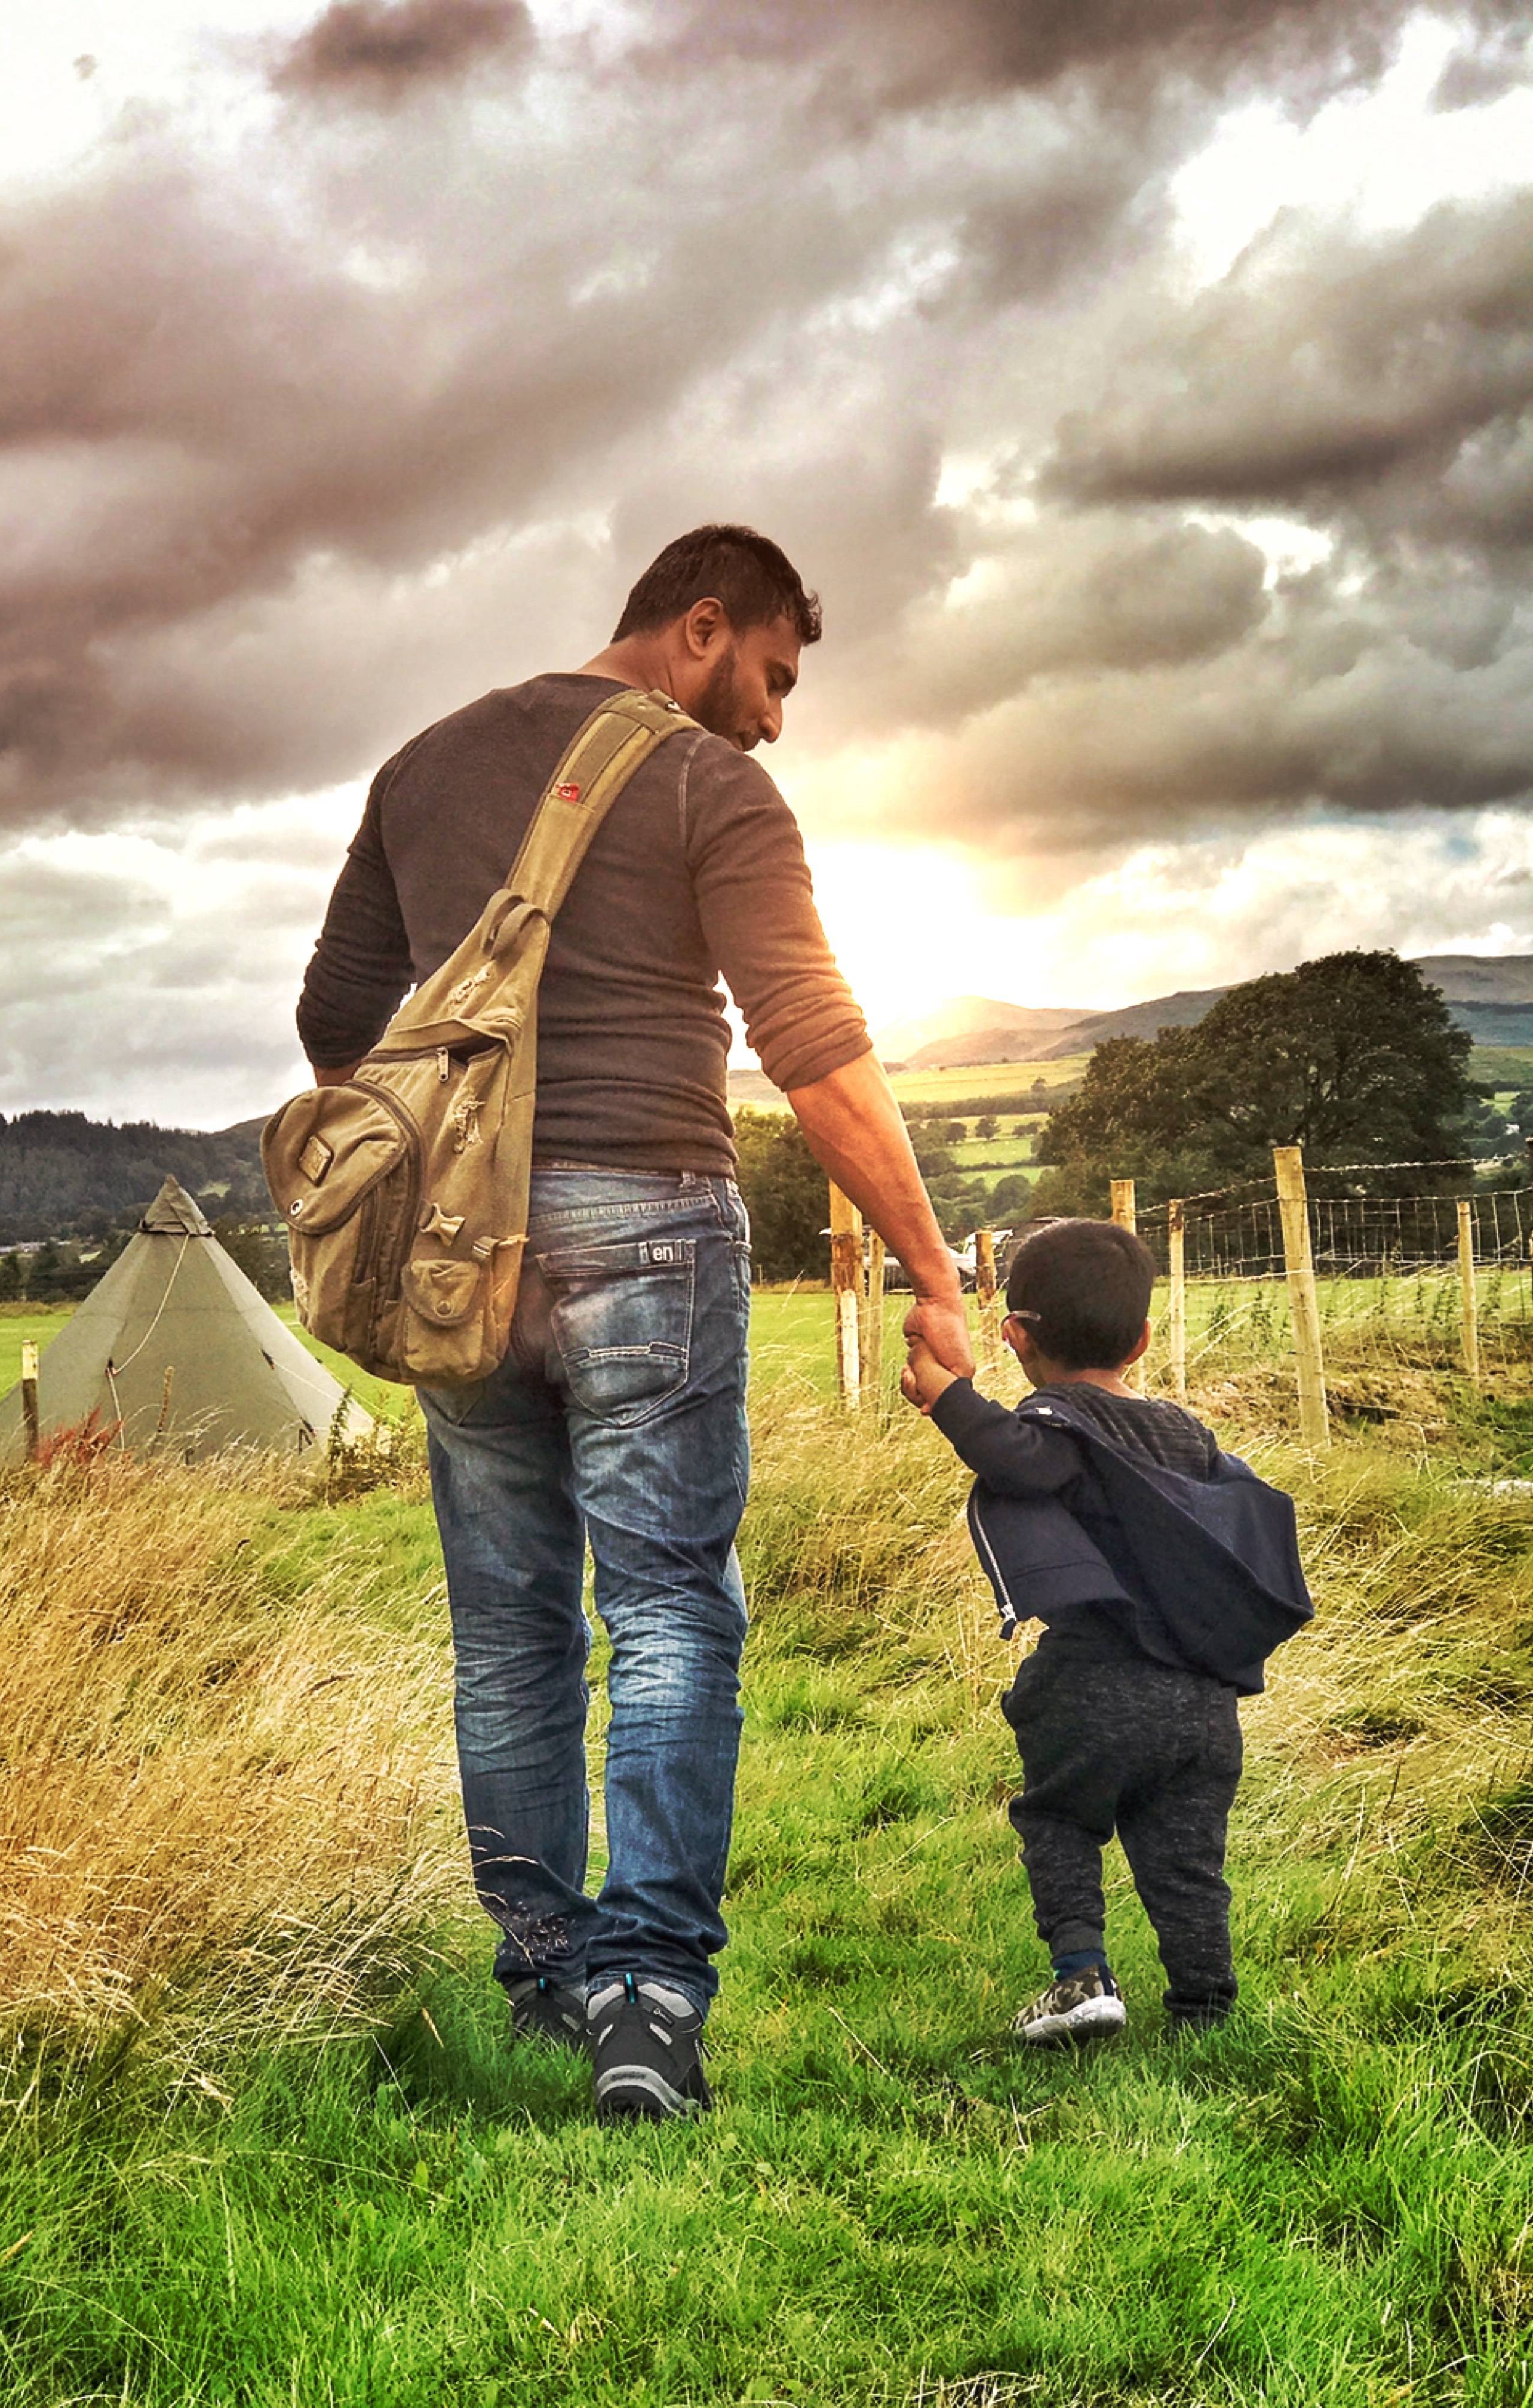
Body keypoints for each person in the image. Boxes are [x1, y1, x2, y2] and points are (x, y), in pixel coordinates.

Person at [294, 524, 972, 2121]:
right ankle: (648, 2002)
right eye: (774, 677)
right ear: (701, 623)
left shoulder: (418, 769)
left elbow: (336, 1021)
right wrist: (935, 1277)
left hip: (461, 1251)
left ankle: (540, 1984)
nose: (775, 720)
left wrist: (467, 1139)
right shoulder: (705, 787)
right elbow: (811, 1052)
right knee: (667, 1609)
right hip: (649, 1223)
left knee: (508, 1626)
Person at [901, 1217, 1310, 2044]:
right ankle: (1203, 2007)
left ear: (1015, 1336)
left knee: (1058, 1821)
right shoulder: (1188, 1436)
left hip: (1092, 1680)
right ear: (1144, 1339)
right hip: (1203, 1700)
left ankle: (1080, 1979)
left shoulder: (1055, 1423)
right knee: (1186, 1858)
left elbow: (1017, 1460)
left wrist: (945, 1394)